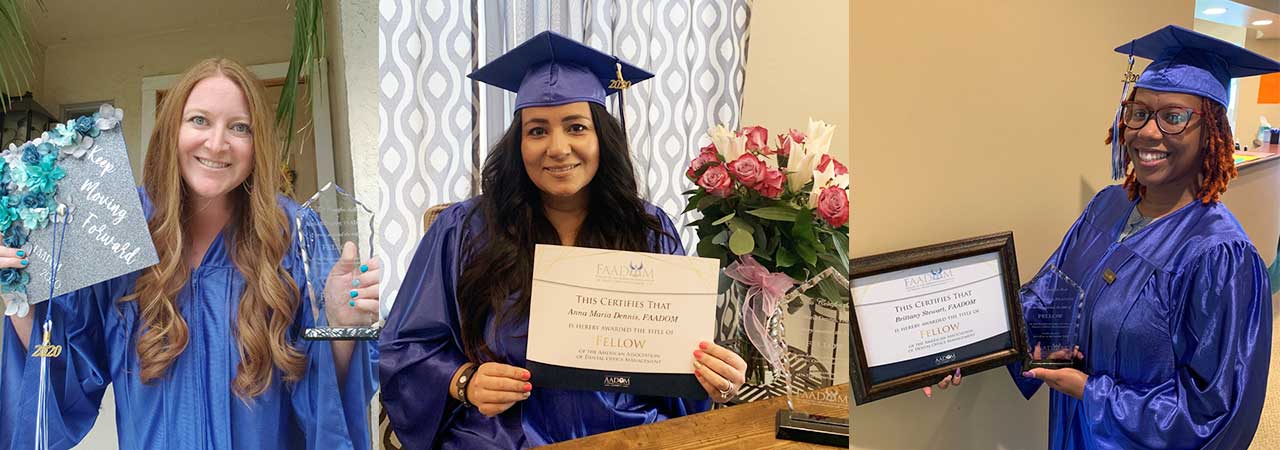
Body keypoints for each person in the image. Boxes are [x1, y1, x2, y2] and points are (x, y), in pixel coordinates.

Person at [379, 31, 748, 449]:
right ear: (518, 143)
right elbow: (404, 347)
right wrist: (464, 381)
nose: (557, 148)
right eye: (537, 131)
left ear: (601, 139)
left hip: (629, 437)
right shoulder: (464, 228)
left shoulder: (648, 229)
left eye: (576, 127)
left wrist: (714, 378)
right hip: (498, 439)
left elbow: (677, 365)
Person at [0, 58, 381, 450]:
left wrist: (341, 326)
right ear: (171, 131)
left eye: (239, 127)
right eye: (199, 120)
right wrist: (20, 297)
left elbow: (328, 405)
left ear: (257, 144)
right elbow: (66, 367)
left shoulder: (297, 234)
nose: (217, 144)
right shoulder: (121, 231)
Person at [935, 25, 1272, 449]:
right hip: (1074, 435)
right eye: (1139, 112)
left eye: (1173, 117)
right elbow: (1050, 299)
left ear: (1212, 133)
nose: (1148, 132)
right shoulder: (1107, 207)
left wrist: (1090, 392)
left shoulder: (1221, 256)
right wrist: (964, 343)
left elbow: (1216, 415)